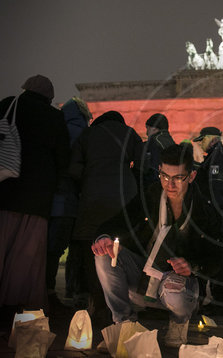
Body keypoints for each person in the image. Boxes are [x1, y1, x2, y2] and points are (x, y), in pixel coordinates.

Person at [92, 144, 223, 347]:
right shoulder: (151, 195)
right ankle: (125, 325)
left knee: (174, 286)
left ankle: (179, 322)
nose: (170, 184)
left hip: (180, 283)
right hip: (144, 272)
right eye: (164, 176)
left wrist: (192, 266)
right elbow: (120, 220)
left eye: (178, 177)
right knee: (105, 255)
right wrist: (104, 237)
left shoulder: (204, 208)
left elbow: (218, 258)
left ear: (192, 176)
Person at [0, 75, 70, 326]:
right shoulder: (53, 117)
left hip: (5, 191)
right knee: (25, 257)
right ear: (48, 97)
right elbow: (64, 159)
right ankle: (15, 310)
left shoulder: (8, 105)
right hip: (36, 199)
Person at [68, 110, 143, 320]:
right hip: (125, 196)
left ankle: (99, 305)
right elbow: (142, 165)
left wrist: (90, 177)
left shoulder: (88, 135)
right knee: (119, 250)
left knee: (93, 249)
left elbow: (73, 168)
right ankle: (120, 308)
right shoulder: (130, 134)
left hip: (93, 197)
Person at [46, 97, 91, 310]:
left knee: (50, 249)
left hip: (51, 199)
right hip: (71, 200)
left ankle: (46, 291)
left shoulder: (56, 128)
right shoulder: (83, 133)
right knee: (71, 247)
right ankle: (65, 294)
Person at [193, 126, 223, 316]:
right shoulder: (216, 158)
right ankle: (218, 300)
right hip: (220, 216)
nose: (201, 143)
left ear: (212, 138)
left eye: (202, 139)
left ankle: (221, 303)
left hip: (220, 217)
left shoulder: (220, 159)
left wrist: (217, 220)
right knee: (217, 257)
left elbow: (217, 193)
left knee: (222, 259)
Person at [141, 113, 175, 188]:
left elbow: (153, 169)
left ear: (154, 128)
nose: (146, 133)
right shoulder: (171, 141)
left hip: (157, 186)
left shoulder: (153, 142)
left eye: (147, 128)